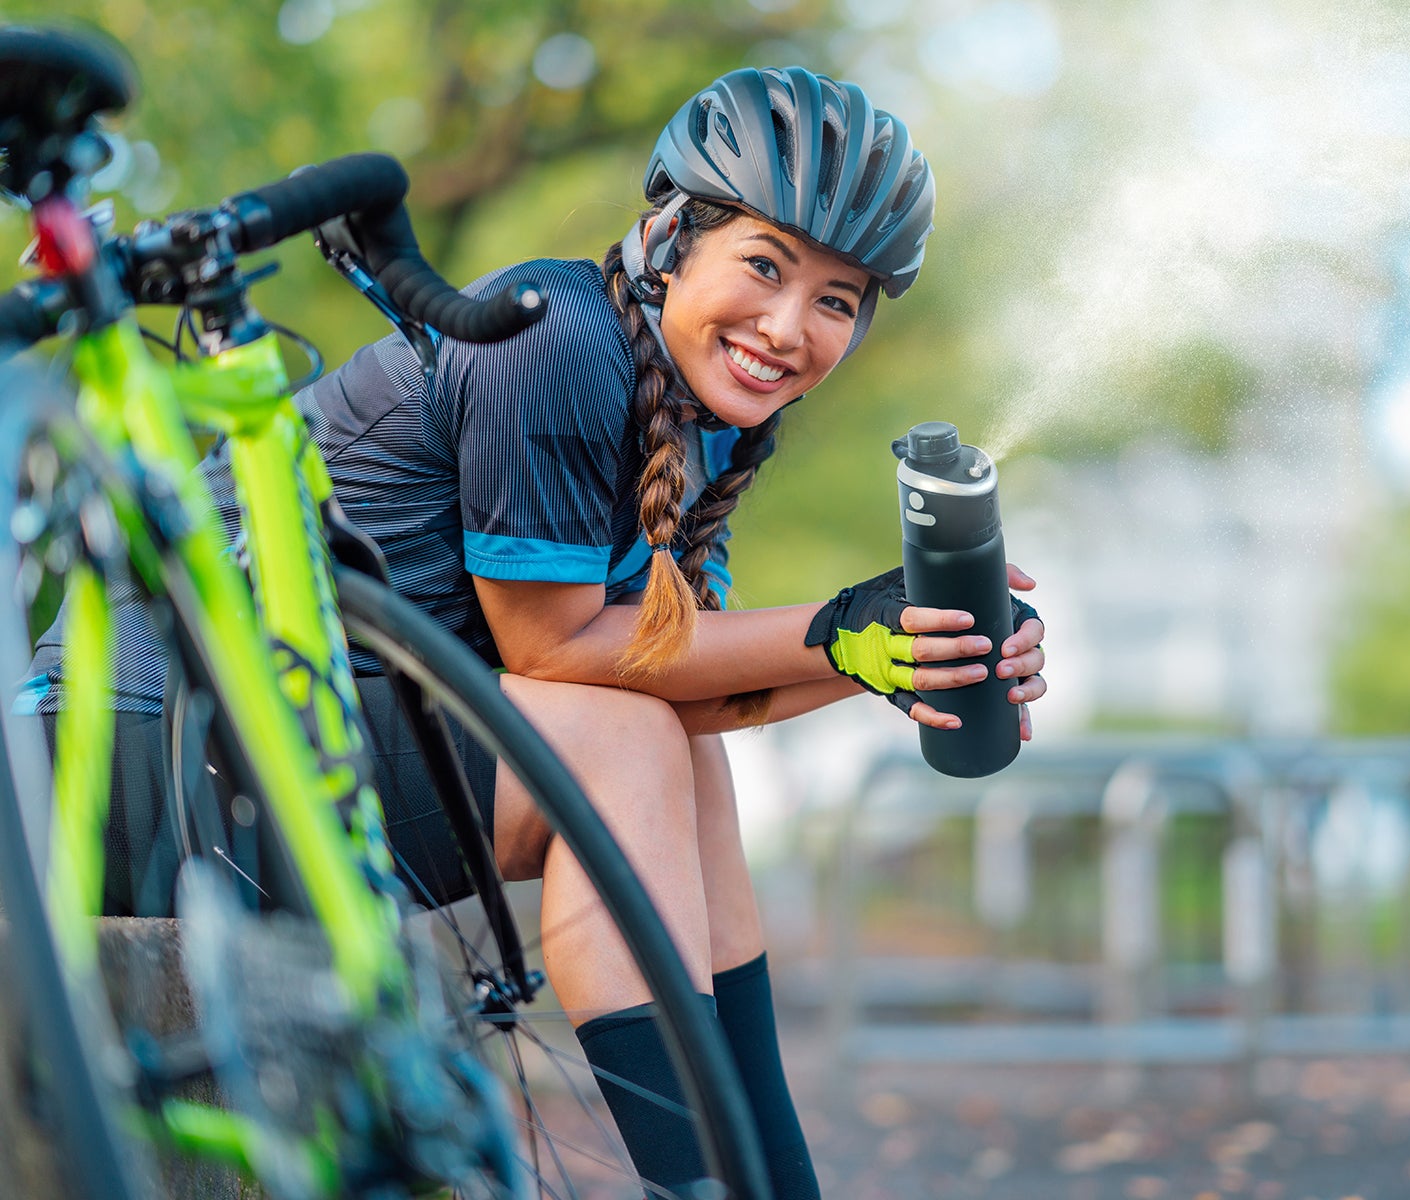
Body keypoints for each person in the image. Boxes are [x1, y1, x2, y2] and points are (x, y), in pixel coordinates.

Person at [26, 64, 1047, 1199]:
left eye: (835, 301)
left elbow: (670, 677)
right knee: (625, 746)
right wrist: (834, 630)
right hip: (136, 754)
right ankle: (699, 1185)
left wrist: (895, 650)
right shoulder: (555, 340)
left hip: (298, 756)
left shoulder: (700, 420)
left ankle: (763, 1181)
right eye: (763, 267)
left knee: (680, 754)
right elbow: (554, 654)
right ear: (668, 236)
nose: (786, 327)